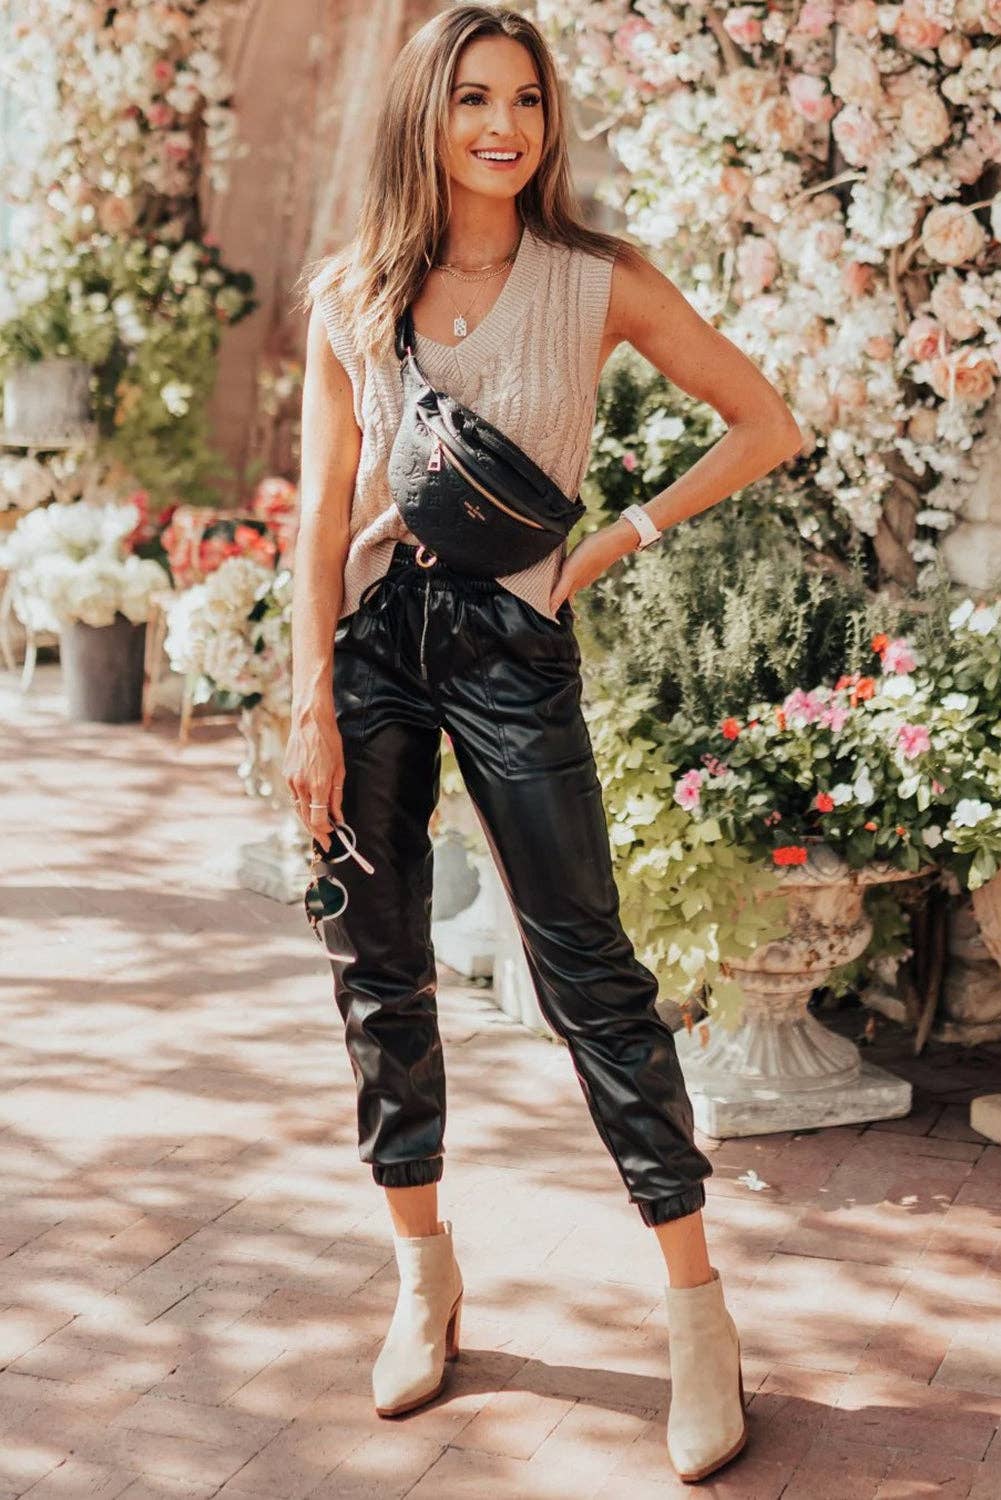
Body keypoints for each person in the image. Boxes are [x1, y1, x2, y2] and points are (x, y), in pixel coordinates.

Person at [286, 3, 801, 1483]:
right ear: (426, 117)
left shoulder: (596, 278)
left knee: (590, 971)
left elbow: (762, 421)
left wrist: (614, 541)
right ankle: (423, 1276)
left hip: (512, 647)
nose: (501, 125)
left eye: (524, 99)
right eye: (472, 98)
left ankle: (696, 1314)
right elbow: (321, 516)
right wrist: (309, 700)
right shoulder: (354, 291)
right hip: (373, 647)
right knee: (377, 965)